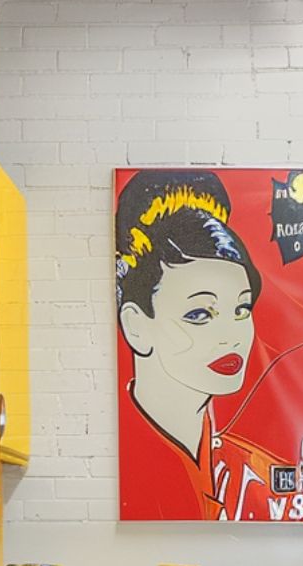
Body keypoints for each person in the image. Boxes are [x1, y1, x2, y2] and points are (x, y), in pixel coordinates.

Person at [116, 170, 277, 520]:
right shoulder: (125, 466)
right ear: (136, 326)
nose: (231, 335)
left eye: (241, 309)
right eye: (200, 313)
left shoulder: (257, 476)